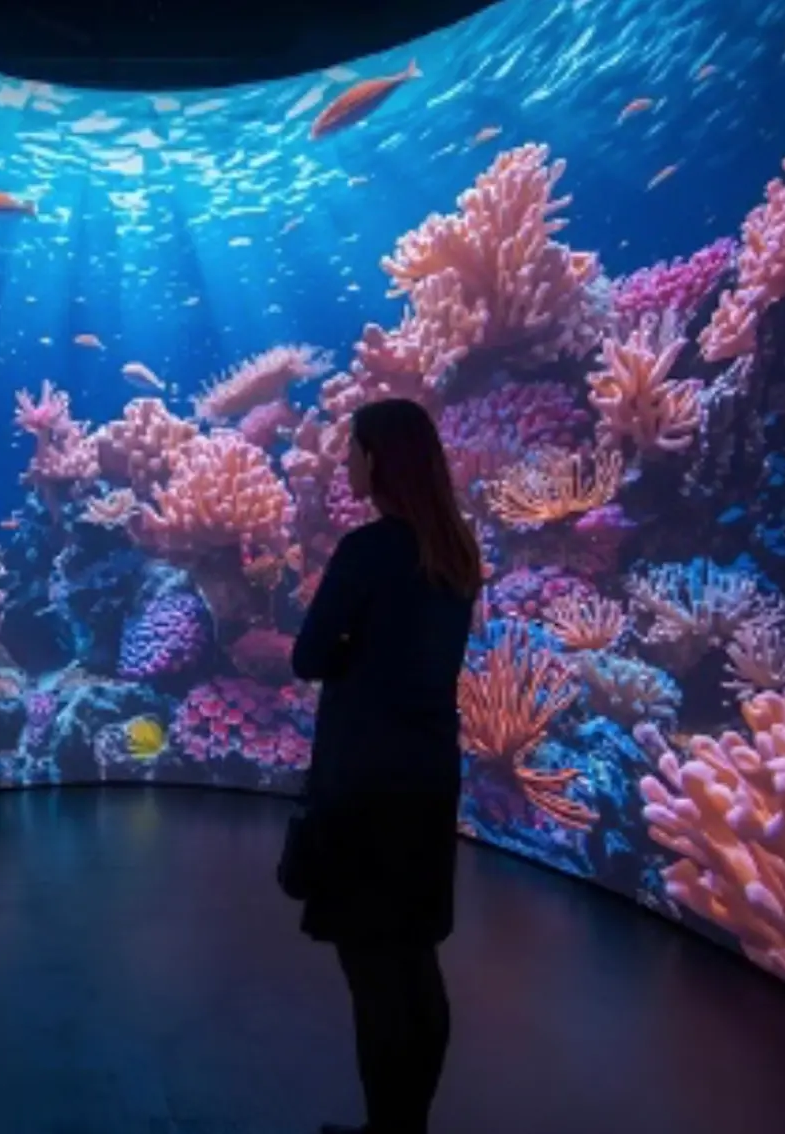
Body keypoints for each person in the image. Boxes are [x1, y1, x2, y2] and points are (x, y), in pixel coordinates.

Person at [290, 397, 482, 1134]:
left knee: (369, 969)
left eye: (353, 449)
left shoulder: (367, 550)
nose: (345, 462)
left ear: (379, 459)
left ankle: (382, 1132)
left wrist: (353, 659)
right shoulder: (456, 550)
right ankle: (410, 1129)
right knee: (414, 961)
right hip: (428, 776)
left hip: (363, 778)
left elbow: (309, 656)